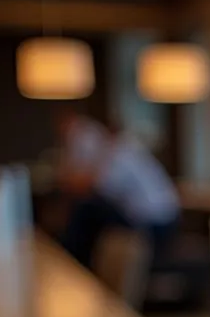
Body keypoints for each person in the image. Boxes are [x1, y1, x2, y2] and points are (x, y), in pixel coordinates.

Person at [56, 115, 180, 270]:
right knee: (89, 212)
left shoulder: (121, 153)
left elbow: (89, 186)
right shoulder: (124, 149)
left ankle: (74, 264)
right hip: (155, 217)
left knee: (87, 211)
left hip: (154, 223)